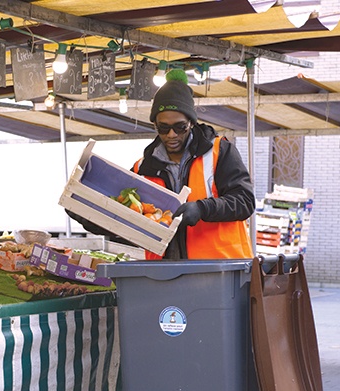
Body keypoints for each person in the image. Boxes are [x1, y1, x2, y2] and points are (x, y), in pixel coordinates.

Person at [70, 69, 255, 260]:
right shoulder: (142, 169)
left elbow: (245, 201)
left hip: (219, 272)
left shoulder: (219, 151)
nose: (172, 134)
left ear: (191, 123)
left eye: (180, 127)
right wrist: (89, 217)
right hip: (163, 275)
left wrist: (202, 208)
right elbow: (125, 223)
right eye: (163, 128)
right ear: (155, 126)